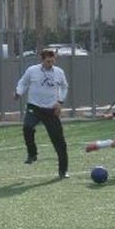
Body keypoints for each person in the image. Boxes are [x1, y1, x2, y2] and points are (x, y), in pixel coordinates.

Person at [14, 48, 70, 179]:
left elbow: (64, 87)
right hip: (34, 107)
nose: (50, 64)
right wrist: (18, 92)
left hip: (51, 110)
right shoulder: (32, 70)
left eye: (52, 61)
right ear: (42, 60)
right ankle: (32, 154)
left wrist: (60, 102)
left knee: (60, 142)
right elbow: (23, 83)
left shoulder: (59, 72)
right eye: (48, 61)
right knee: (27, 127)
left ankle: (63, 171)